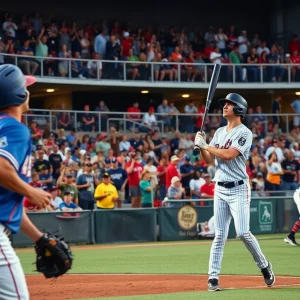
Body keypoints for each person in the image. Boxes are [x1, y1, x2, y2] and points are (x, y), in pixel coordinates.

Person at [194, 93, 275, 291]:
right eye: (224, 104)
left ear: (239, 108)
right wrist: (201, 146)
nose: (225, 106)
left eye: (229, 104)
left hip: (239, 188)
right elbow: (209, 160)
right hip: (220, 187)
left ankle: (264, 265)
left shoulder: (245, 133)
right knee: (219, 235)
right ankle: (212, 278)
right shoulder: (220, 132)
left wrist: (207, 146)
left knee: (242, 232)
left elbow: (228, 155)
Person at [0, 64, 52, 298]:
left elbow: (7, 202)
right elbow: (1, 167)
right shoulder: (14, 129)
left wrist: (38, 237)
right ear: (19, 94)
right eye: (26, 87)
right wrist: (32, 192)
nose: (29, 91)